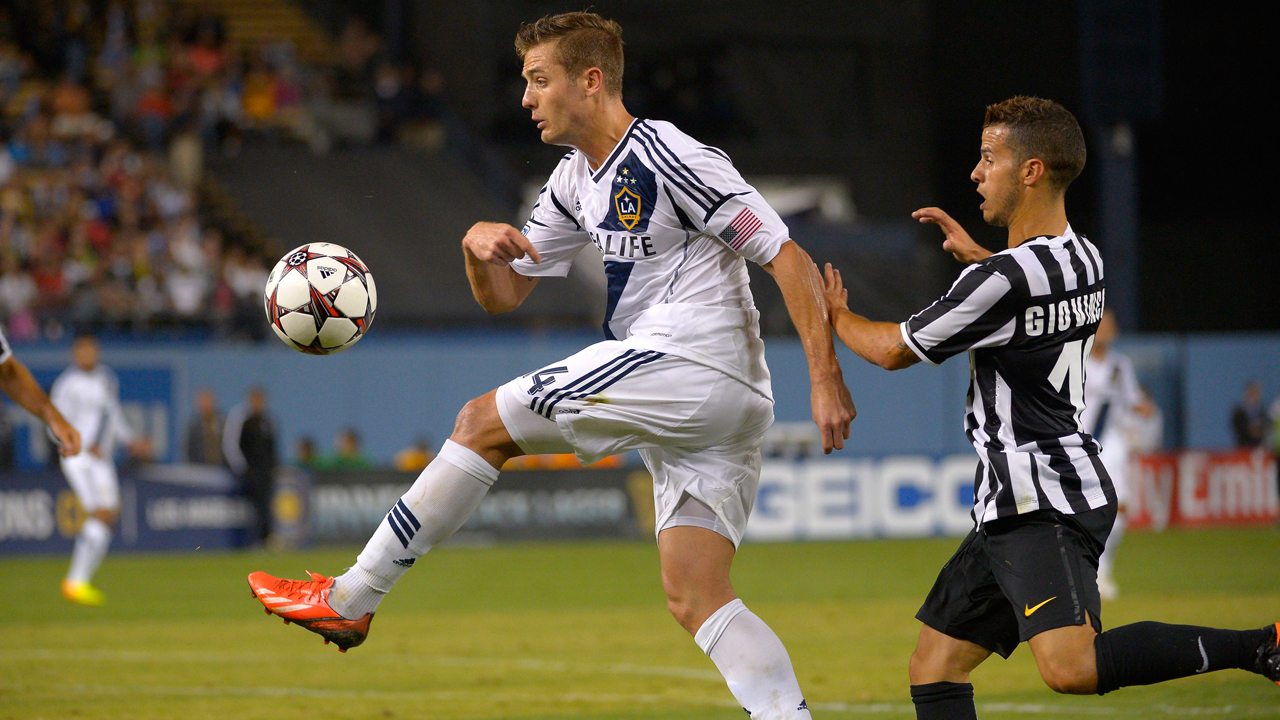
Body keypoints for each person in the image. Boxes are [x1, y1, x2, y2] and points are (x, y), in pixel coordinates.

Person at [248, 12, 855, 719]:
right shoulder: (571, 181)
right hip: (719, 401)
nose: (527, 98)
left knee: (479, 423)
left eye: (540, 80)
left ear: (591, 81)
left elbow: (786, 254)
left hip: (695, 359)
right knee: (697, 595)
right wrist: (475, 250)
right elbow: (506, 295)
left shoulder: (671, 155)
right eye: (526, 81)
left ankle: (352, 597)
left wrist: (825, 377)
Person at [819, 96, 1279, 719]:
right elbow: (1028, 297)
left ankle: (1262, 646)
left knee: (1071, 667)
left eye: (989, 158)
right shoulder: (1084, 257)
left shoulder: (1000, 282)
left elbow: (892, 350)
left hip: (1041, 501)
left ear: (1031, 170)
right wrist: (986, 264)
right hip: (1019, 500)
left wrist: (837, 314)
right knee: (935, 665)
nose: (976, 173)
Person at [50, 335, 148, 606]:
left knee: (108, 516)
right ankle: (75, 581)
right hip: (79, 457)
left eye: (92, 350)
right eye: (83, 351)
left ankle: (80, 582)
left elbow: (114, 415)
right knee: (100, 513)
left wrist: (131, 441)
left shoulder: (106, 378)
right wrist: (78, 443)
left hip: (102, 458)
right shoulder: (66, 385)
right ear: (74, 354)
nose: (88, 355)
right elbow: (53, 421)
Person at [1079, 309, 1152, 600]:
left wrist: (1143, 407)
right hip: (1077, 443)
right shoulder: (1076, 360)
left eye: (1109, 325)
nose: (1105, 330)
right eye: (1101, 325)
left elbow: (1133, 399)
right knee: (1079, 509)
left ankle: (1102, 570)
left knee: (1119, 505)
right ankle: (1081, 570)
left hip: (1110, 443)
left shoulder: (1121, 366)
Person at [224, 386, 277, 544]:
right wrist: (242, 468)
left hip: (265, 472)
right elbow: (233, 446)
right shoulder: (243, 421)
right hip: (251, 471)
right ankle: (255, 539)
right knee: (254, 507)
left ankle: (266, 538)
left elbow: (272, 449)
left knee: (266, 505)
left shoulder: (268, 422)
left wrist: (273, 467)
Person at [184, 387, 225, 465]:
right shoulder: (193, 425)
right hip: (201, 467)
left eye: (208, 400)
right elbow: (188, 448)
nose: (206, 404)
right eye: (203, 401)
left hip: (220, 466)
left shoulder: (222, 421)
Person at [1231, 380, 1267, 448]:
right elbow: (1237, 429)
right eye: (1251, 393)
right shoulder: (1238, 413)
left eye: (1255, 393)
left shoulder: (1263, 413)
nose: (1253, 396)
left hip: (1259, 447)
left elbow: (1266, 428)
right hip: (1243, 447)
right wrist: (1250, 430)